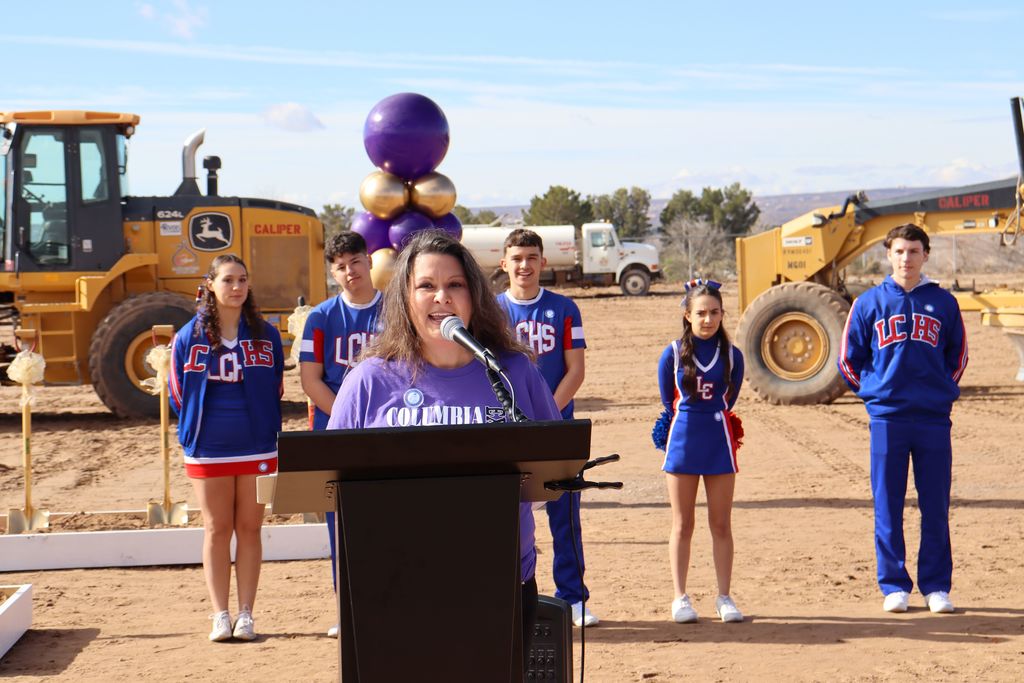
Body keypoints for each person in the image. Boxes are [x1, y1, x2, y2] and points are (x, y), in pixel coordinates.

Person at [326, 229, 561, 662]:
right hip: (394, 584)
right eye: (426, 286)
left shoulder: (512, 373)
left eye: (455, 285)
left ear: (474, 296)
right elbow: (331, 486)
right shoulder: (368, 381)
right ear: (404, 298)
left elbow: (555, 470)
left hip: (499, 580)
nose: (442, 298)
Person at [838, 224, 968, 614]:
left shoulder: (943, 303)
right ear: (888, 254)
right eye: (899, 251)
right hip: (887, 420)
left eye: (913, 251)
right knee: (888, 503)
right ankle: (894, 585)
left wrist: (938, 392)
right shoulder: (868, 303)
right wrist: (876, 396)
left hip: (932, 419)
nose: (906, 259)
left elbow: (957, 357)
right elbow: (849, 359)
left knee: (935, 504)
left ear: (925, 255)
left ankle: (935, 586)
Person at [170, 254, 284, 642]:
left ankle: (247, 614)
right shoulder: (188, 336)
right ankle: (220, 615)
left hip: (258, 447)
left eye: (242, 280)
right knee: (217, 528)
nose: (236, 287)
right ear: (211, 285)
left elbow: (276, 387)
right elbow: (177, 395)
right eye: (228, 280)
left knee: (251, 528)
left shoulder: (266, 334)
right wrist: (197, 430)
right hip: (208, 448)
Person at [495, 228, 597, 628]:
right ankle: (505, 597)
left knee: (565, 516)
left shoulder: (565, 308)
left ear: (544, 262)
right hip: (506, 433)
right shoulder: (491, 310)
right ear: (503, 263)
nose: (524, 265)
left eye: (532, 257)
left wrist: (544, 417)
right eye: (517, 258)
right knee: (505, 519)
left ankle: (572, 599)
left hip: (555, 429)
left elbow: (576, 370)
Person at [298, 232, 382, 637]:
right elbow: (311, 380)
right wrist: (350, 420)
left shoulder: (396, 309)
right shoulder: (320, 318)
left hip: (389, 431)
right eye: (341, 266)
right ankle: (347, 610)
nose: (350, 272)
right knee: (341, 525)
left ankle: (392, 605)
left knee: (390, 520)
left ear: (368, 261)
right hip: (337, 432)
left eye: (355, 262)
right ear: (333, 273)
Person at [654, 279, 745, 624]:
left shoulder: (733, 356)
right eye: (701, 313)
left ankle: (724, 596)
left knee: (721, 524)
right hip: (683, 441)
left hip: (719, 441)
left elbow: (730, 398)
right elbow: (668, 399)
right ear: (687, 315)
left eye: (714, 313)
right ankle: (680, 597)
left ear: (723, 315)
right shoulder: (673, 353)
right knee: (683, 524)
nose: (708, 319)